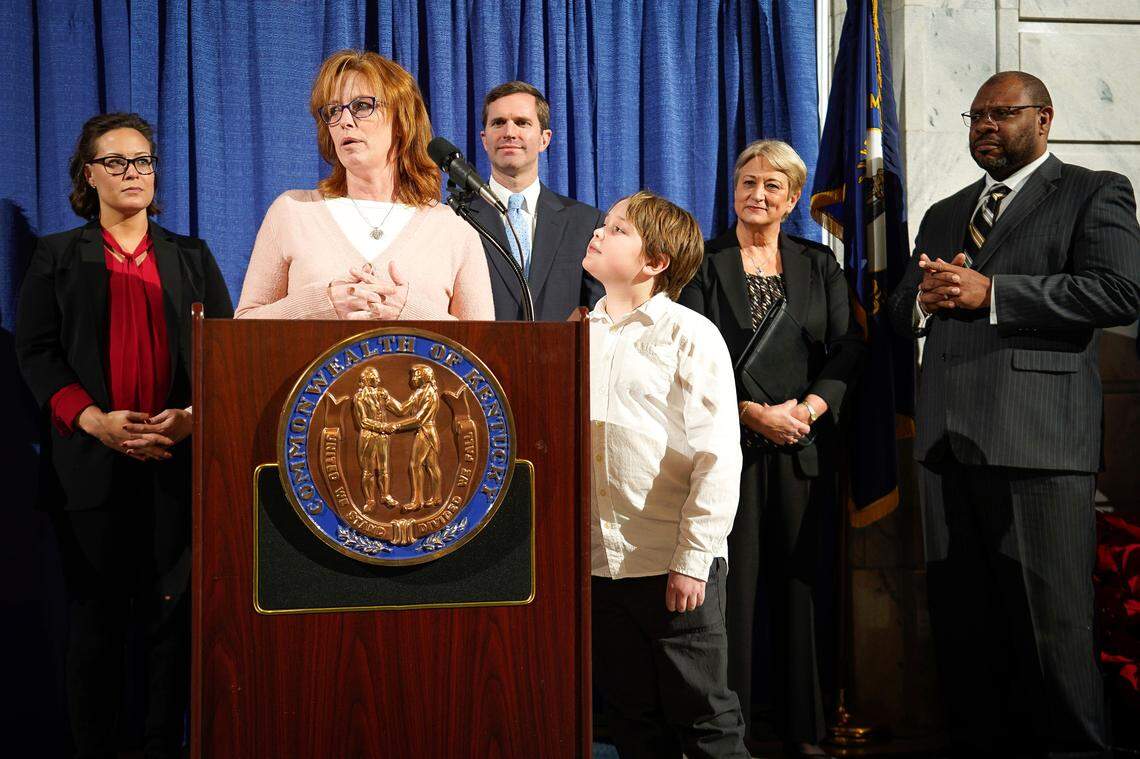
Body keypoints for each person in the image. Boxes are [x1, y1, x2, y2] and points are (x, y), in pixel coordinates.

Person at [887, 71, 1140, 757]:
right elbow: (901, 305)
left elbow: (1119, 291)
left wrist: (992, 291)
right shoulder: (946, 211)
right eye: (975, 116)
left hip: (1038, 445)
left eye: (1002, 113)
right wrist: (925, 301)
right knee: (966, 635)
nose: (985, 126)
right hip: (947, 444)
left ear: (1045, 118)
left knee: (1053, 635)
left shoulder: (1093, 191)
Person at [15, 112, 233, 758]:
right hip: (90, 472)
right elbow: (35, 352)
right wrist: (94, 421)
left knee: (173, 636)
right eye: (116, 162)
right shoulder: (57, 256)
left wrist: (194, 416)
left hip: (177, 467)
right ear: (90, 174)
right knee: (96, 633)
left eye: (142, 161)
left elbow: (224, 352)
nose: (132, 173)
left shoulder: (191, 256)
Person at [680, 139, 864, 757]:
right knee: (733, 591)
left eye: (772, 186)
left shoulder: (819, 265)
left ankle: (802, 727)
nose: (757, 195)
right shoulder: (703, 264)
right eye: (747, 182)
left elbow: (847, 349)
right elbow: (689, 357)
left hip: (804, 448)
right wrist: (751, 413)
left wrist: (807, 410)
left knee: (800, 585)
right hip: (727, 448)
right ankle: (729, 730)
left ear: (791, 199)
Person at [584, 190, 749, 758]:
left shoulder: (689, 334)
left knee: (706, 721)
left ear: (654, 262)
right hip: (601, 566)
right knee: (632, 723)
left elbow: (717, 455)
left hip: (674, 566)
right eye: (603, 224)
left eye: (618, 229)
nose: (600, 233)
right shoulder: (578, 334)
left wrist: (693, 558)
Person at [235, 50, 493, 321]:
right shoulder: (292, 212)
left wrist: (409, 312)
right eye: (333, 110)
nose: (345, 121)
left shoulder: (453, 229)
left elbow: (481, 350)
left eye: (361, 106)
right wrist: (322, 303)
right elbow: (243, 329)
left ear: (400, 122)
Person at [466, 80, 605, 320]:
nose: (509, 132)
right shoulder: (457, 219)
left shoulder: (586, 223)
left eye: (522, 123)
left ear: (544, 139)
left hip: (562, 356)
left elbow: (600, 314)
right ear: (484, 139)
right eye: (498, 123)